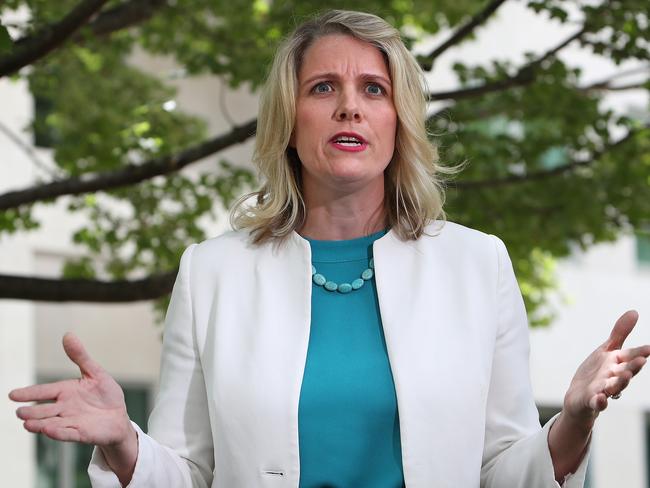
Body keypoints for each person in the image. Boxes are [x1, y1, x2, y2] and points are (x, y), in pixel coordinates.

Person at [9, 9, 649, 488]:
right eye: (323, 88)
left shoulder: (479, 266)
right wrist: (125, 441)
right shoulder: (212, 272)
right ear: (289, 122)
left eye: (373, 89)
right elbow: (189, 474)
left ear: (398, 123)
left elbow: (504, 475)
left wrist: (573, 421)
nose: (350, 107)